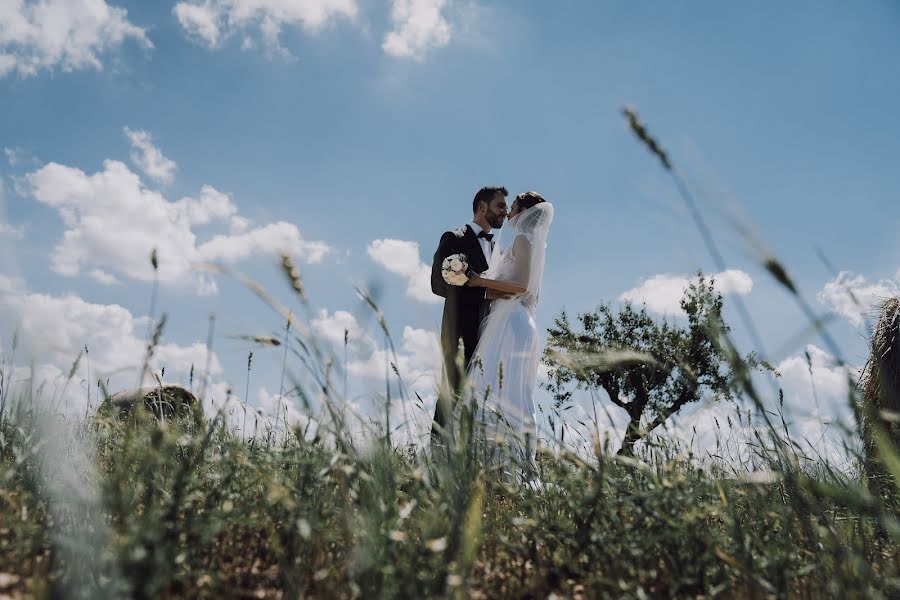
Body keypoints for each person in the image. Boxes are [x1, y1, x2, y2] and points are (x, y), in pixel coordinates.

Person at [464, 191, 554, 471]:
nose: (508, 212)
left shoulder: (522, 240)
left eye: (512, 207)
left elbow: (522, 286)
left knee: (504, 391)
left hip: (513, 321)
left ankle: (507, 466)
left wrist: (480, 283)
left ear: (525, 212)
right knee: (505, 391)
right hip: (511, 319)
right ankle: (499, 464)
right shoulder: (531, 242)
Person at [430, 186, 510, 441]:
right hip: (460, 332)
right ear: (482, 207)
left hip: (491, 333)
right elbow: (439, 284)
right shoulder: (454, 238)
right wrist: (484, 294)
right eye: (500, 206)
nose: (505, 213)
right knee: (452, 393)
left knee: (484, 399)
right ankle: (436, 456)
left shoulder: (498, 249)